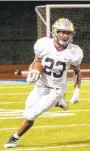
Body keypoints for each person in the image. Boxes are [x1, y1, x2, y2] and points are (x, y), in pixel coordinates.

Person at [4, 18, 83, 148]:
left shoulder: (74, 51)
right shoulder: (43, 44)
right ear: (55, 32)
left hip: (55, 90)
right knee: (27, 108)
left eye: (68, 33)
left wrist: (77, 91)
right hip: (40, 85)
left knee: (31, 115)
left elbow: (77, 72)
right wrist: (33, 72)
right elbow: (37, 61)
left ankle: (15, 138)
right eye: (62, 32)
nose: (65, 35)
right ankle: (59, 102)